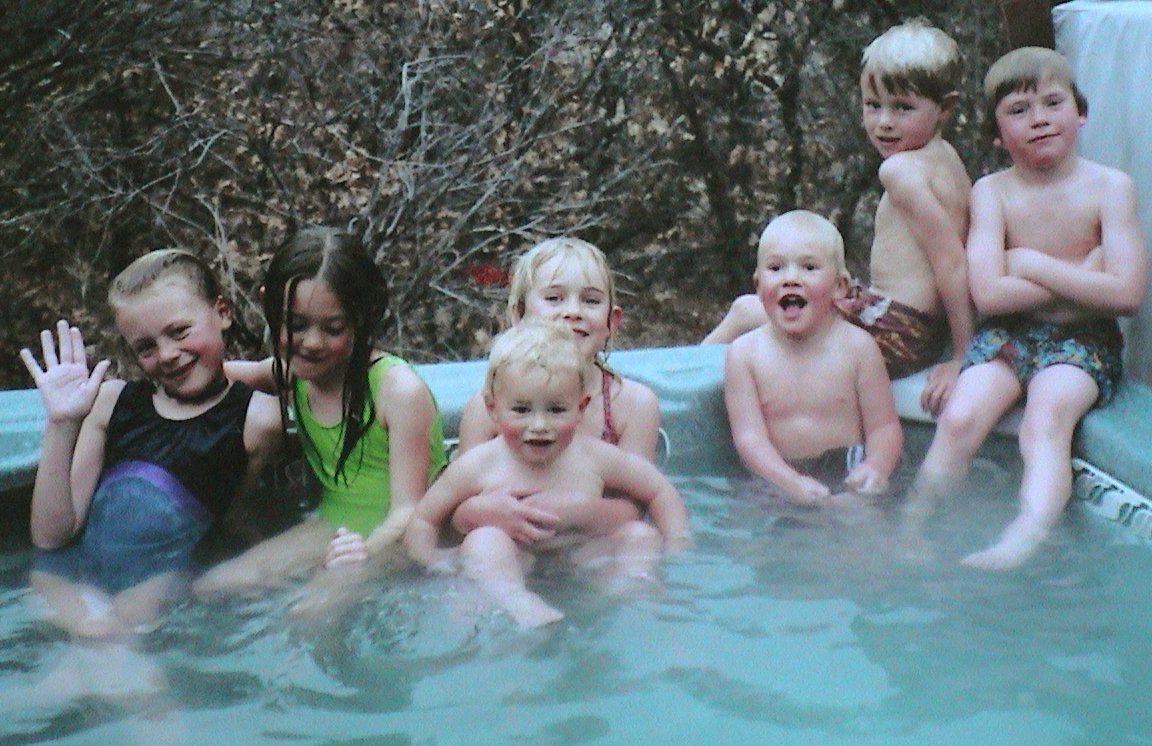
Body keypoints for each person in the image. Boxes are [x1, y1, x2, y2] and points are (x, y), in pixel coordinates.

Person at [914, 47, 1147, 569]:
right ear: (997, 134)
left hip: (1083, 342)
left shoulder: (1110, 188)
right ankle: (915, 524)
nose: (1038, 119)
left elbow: (1127, 295)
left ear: (1080, 113)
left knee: (1045, 421)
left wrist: (1031, 264)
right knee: (959, 418)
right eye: (1018, 110)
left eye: (1052, 103)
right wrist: (1084, 275)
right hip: (1007, 333)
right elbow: (990, 296)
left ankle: (1024, 535)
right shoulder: (992, 192)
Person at [704, 19, 974, 417]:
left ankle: (678, 394)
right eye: (873, 105)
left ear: (945, 108)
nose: (884, 122)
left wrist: (963, 356)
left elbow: (952, 263)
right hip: (908, 328)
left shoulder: (901, 172)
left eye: (903, 107)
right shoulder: (945, 159)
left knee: (748, 312)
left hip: (897, 334)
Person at [19, 250, 284, 638]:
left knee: (111, 641)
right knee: (90, 632)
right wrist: (62, 425)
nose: (168, 354)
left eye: (180, 332)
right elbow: (51, 538)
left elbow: (231, 518)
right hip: (67, 582)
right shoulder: (112, 403)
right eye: (146, 347)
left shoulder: (258, 419)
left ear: (223, 312)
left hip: (157, 593)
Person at [194, 227, 447, 599]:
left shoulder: (397, 392)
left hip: (396, 540)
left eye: (333, 328)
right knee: (213, 587)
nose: (312, 343)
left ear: (363, 316)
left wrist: (364, 554)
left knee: (307, 614)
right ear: (268, 305)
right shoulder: (289, 374)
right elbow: (210, 376)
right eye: (296, 325)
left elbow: (409, 511)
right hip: (332, 524)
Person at [404, 320, 691, 627]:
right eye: (521, 410)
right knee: (484, 542)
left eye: (556, 410)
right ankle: (516, 601)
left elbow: (658, 490)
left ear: (581, 408)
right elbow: (423, 520)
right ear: (492, 408)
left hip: (581, 555)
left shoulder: (592, 456)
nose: (539, 425)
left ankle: (631, 590)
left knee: (640, 536)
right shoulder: (479, 464)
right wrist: (436, 561)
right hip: (515, 560)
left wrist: (679, 546)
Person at [449, 236, 661, 545]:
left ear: (611, 321)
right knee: (482, 544)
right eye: (554, 298)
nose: (573, 311)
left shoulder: (632, 405)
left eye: (590, 301)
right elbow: (455, 509)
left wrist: (577, 512)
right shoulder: (485, 409)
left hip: (593, 548)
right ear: (519, 315)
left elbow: (640, 506)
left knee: (640, 538)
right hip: (514, 548)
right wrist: (483, 513)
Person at [723, 211, 903, 506]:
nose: (790, 279)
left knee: (858, 515)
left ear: (839, 286)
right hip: (774, 477)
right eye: (775, 268)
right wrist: (789, 482)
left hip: (847, 473)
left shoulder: (858, 348)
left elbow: (884, 427)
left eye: (809, 267)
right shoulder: (744, 355)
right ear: (758, 286)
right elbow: (749, 439)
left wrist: (876, 467)